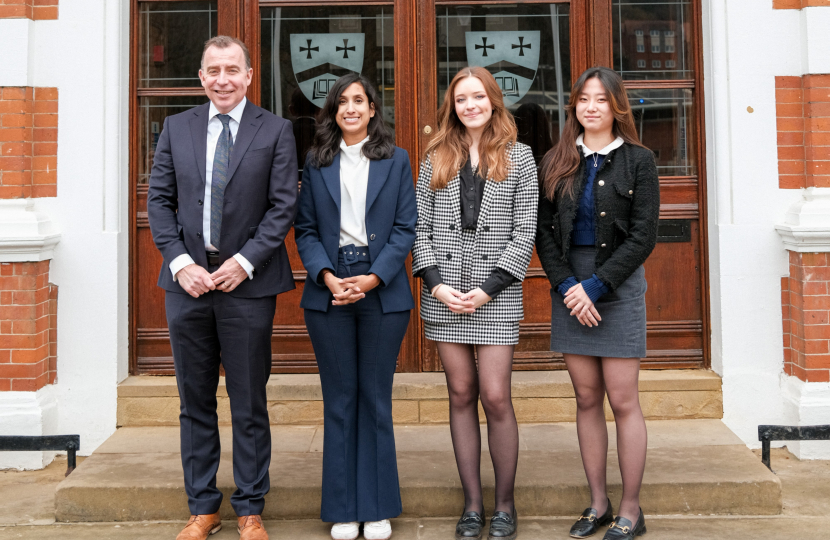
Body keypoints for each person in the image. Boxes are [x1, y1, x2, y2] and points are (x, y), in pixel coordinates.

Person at [147, 35, 298, 540]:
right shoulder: (176, 127)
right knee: (195, 400)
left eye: (232, 69)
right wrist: (181, 262)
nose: (223, 79)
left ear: (249, 76)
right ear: (202, 78)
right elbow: (159, 203)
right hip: (186, 285)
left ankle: (250, 507)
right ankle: (203, 507)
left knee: (248, 398)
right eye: (213, 70)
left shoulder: (274, 130)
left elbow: (282, 208)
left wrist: (244, 262)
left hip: (247, 287)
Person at [411, 66, 538, 540]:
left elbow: (525, 232)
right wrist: (436, 285)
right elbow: (418, 229)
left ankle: (504, 506)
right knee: (460, 394)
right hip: (445, 291)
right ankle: (472, 505)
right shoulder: (435, 157)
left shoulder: (521, 158)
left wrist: (488, 287)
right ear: (453, 106)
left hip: (495, 293)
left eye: (478, 97)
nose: (470, 105)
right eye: (461, 99)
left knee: (496, 396)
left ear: (493, 101)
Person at [536, 66, 660, 540]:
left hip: (619, 284)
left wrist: (596, 286)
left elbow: (644, 236)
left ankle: (631, 508)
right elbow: (543, 235)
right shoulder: (555, 160)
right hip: (570, 287)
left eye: (601, 100)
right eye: (583, 99)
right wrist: (571, 285)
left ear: (616, 106)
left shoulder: (639, 160)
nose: (591, 107)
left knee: (623, 399)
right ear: (574, 107)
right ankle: (598, 504)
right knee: (586, 397)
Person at [294, 74, 417, 540]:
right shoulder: (317, 160)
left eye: (358, 101)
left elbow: (406, 227)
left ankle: (378, 505)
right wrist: (327, 276)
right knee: (340, 401)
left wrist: (371, 277)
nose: (350, 108)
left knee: (375, 399)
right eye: (342, 101)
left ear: (371, 110)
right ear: (333, 111)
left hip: (381, 288)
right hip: (329, 288)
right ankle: (345, 506)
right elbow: (304, 229)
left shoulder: (397, 159)